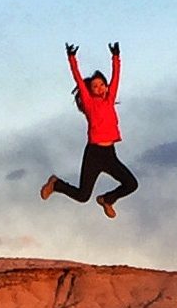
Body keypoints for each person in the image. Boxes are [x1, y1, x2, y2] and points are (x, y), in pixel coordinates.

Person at [40, 42, 137, 217]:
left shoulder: (109, 100)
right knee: (83, 196)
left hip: (109, 155)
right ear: (90, 91)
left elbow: (116, 78)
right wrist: (72, 58)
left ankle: (107, 199)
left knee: (131, 184)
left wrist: (116, 57)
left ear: (106, 87)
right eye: (95, 86)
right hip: (94, 154)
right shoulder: (90, 104)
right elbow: (78, 79)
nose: (99, 88)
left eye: (102, 85)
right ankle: (56, 184)